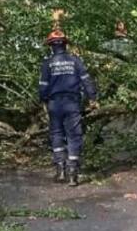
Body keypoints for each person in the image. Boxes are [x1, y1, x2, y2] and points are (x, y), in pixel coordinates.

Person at [39, 29, 98, 186]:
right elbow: (86, 80)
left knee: (56, 134)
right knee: (74, 136)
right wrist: (92, 98)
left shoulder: (47, 64)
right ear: (65, 45)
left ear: (51, 46)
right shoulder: (75, 61)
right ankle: (73, 174)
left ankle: (60, 170)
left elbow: (43, 87)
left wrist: (44, 101)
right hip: (72, 103)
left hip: (54, 104)